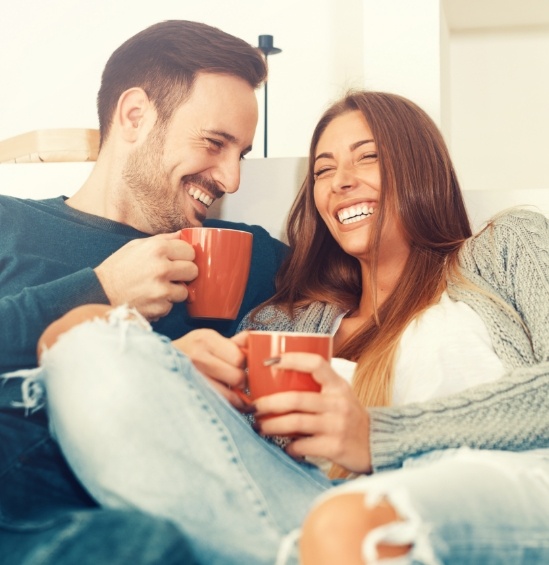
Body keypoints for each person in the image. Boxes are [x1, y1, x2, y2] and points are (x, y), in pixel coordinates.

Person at [37, 90, 549, 565]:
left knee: (353, 524)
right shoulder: (285, 321)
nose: (341, 181)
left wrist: (378, 436)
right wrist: (191, 375)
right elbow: (240, 463)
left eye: (367, 157)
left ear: (422, 166)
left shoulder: (506, 246)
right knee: (79, 337)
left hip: (502, 492)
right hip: (318, 514)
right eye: (324, 170)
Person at [0, 19, 288, 564]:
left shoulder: (237, 254)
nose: (231, 179)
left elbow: (382, 278)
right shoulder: (8, 226)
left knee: (145, 547)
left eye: (241, 154)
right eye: (214, 143)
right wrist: (101, 288)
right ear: (135, 116)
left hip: (129, 523)